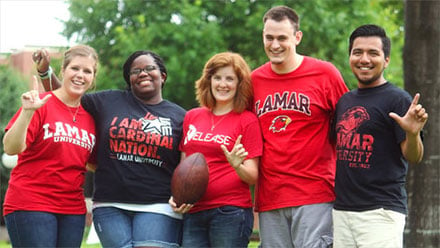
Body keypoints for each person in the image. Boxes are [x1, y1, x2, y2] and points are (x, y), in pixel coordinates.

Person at [35, 50, 186, 247]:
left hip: (158, 204)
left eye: (150, 68)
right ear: (129, 79)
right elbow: (65, 96)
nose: (142, 73)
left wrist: (185, 194)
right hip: (110, 204)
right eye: (135, 71)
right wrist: (45, 72)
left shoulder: (181, 116)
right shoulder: (109, 101)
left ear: (163, 75)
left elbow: (188, 161)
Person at [251, 5, 349, 248]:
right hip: (271, 198)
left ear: (297, 37)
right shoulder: (253, 81)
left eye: (282, 38)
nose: (275, 45)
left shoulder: (325, 74)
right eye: (269, 37)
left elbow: (349, 126)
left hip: (316, 194)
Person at [332, 24, 428, 248]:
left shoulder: (398, 100)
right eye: (358, 52)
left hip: (381, 213)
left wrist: (413, 134)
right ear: (350, 57)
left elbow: (414, 157)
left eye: (373, 53)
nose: (364, 59)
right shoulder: (345, 101)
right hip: (342, 211)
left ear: (386, 60)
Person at [3, 44, 98, 247]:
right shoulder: (42, 104)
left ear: (93, 78)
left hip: (72, 209)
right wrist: (27, 112)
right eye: (75, 68)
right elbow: (11, 148)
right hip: (31, 202)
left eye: (87, 71)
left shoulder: (91, 117)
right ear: (63, 70)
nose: (80, 75)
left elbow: (91, 163)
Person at [170, 52, 263, 247]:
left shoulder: (247, 120)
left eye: (230, 79)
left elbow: (253, 176)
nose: (223, 84)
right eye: (217, 77)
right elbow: (184, 163)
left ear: (239, 84)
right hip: (194, 210)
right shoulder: (192, 116)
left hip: (230, 211)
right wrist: (178, 194)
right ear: (208, 80)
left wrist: (237, 166)